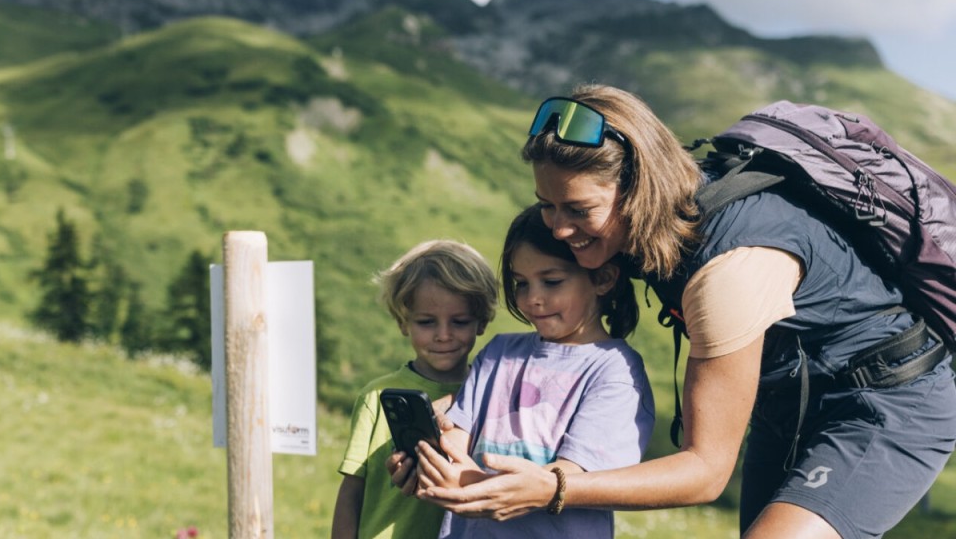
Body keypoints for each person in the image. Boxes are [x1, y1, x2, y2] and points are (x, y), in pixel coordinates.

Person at [401, 85, 956, 539]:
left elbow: (705, 473)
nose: (560, 230)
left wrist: (554, 488)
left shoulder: (728, 266)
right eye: (547, 205)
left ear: (638, 186)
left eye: (579, 209)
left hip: (887, 401)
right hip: (792, 393)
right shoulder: (646, 227)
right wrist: (452, 415)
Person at [429, 203, 654, 538]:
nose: (532, 298)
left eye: (551, 281)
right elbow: (456, 439)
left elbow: (572, 475)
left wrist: (473, 485)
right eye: (521, 283)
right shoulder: (498, 352)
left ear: (603, 278)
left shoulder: (615, 371)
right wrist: (428, 457)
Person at [331, 239, 498, 539]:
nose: (443, 335)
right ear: (402, 321)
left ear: (482, 321)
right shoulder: (376, 396)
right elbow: (352, 491)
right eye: (426, 322)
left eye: (459, 321)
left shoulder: (491, 394)